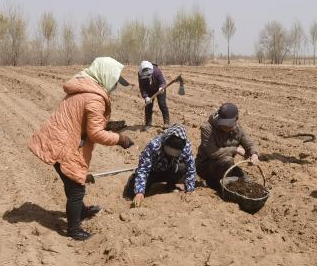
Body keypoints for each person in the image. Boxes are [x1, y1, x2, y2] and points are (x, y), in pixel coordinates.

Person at [29, 57, 134, 240]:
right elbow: (95, 134)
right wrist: (120, 139)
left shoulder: (85, 87)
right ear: (105, 76)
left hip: (58, 139)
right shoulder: (94, 98)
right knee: (77, 188)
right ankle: (74, 229)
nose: (115, 86)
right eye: (115, 81)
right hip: (64, 144)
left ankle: (81, 211)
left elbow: (84, 120)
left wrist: (107, 125)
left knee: (72, 183)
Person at [123, 124, 196, 207]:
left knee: (182, 167)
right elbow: (143, 169)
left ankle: (170, 185)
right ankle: (134, 180)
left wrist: (190, 189)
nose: (171, 155)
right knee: (131, 193)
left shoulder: (185, 147)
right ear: (165, 142)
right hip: (153, 171)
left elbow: (191, 168)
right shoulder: (154, 145)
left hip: (170, 169)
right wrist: (139, 192)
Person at [195, 103, 259, 189]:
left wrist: (254, 154)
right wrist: (235, 149)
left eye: (228, 124)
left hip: (225, 165)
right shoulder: (207, 128)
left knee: (246, 181)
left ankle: (224, 181)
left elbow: (248, 142)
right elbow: (213, 153)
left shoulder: (237, 127)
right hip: (205, 166)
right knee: (227, 160)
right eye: (223, 123)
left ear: (236, 119)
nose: (225, 126)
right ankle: (215, 184)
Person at [138, 60, 170, 130]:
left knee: (162, 104)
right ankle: (148, 124)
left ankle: (166, 122)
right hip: (149, 89)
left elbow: (162, 81)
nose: (147, 76)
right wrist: (146, 97)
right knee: (148, 105)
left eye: (149, 75)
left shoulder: (156, 70)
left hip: (159, 88)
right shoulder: (140, 73)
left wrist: (161, 87)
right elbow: (142, 87)